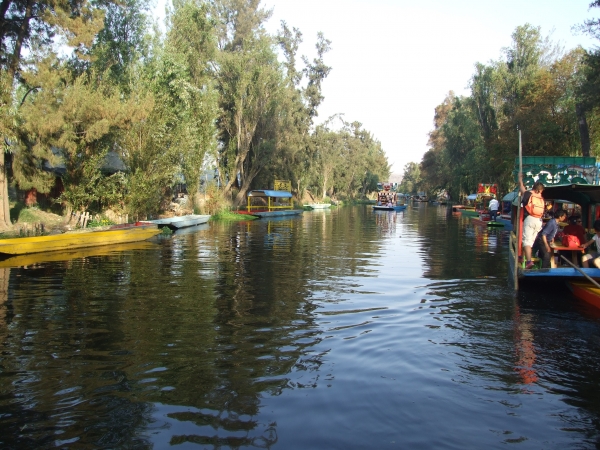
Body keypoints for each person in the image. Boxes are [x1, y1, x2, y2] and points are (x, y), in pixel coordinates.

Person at [519, 172, 545, 270]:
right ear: (540, 190)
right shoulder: (541, 198)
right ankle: (522, 257)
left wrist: (520, 178)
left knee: (526, 242)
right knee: (530, 241)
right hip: (539, 221)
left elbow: (521, 186)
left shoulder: (529, 194)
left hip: (530, 219)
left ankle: (529, 261)